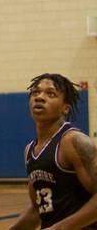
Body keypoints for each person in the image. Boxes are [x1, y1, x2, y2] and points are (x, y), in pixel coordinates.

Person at [10, 73, 97, 230]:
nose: (40, 97)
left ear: (65, 108)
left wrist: (61, 228)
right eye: (36, 92)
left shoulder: (74, 141)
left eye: (51, 94)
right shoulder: (30, 150)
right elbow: (37, 210)